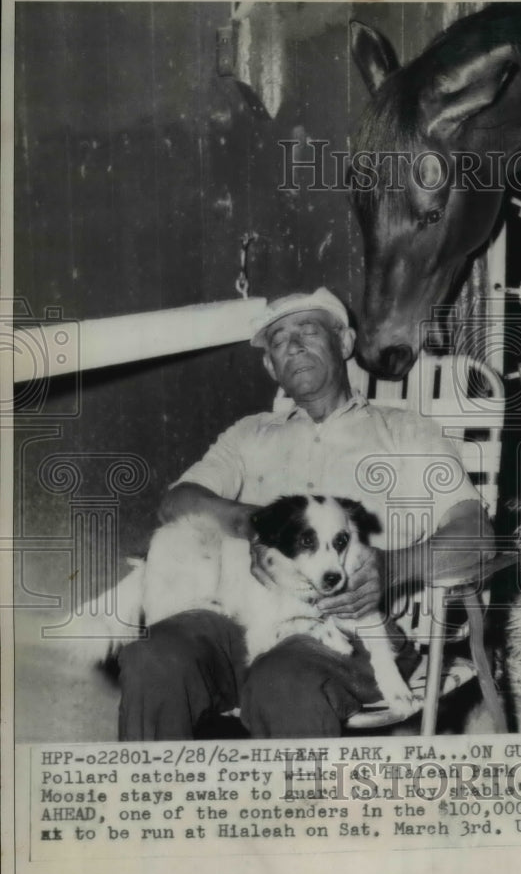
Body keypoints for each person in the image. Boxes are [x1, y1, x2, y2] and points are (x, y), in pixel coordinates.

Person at [117, 287, 494, 740]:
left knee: (282, 679)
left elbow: (477, 536)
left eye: (308, 331)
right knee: (154, 657)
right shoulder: (249, 434)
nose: (292, 345)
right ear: (270, 367)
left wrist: (394, 567)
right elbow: (176, 503)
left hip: (352, 632)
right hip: (250, 620)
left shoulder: (405, 431)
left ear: (346, 344)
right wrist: (261, 528)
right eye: (278, 341)